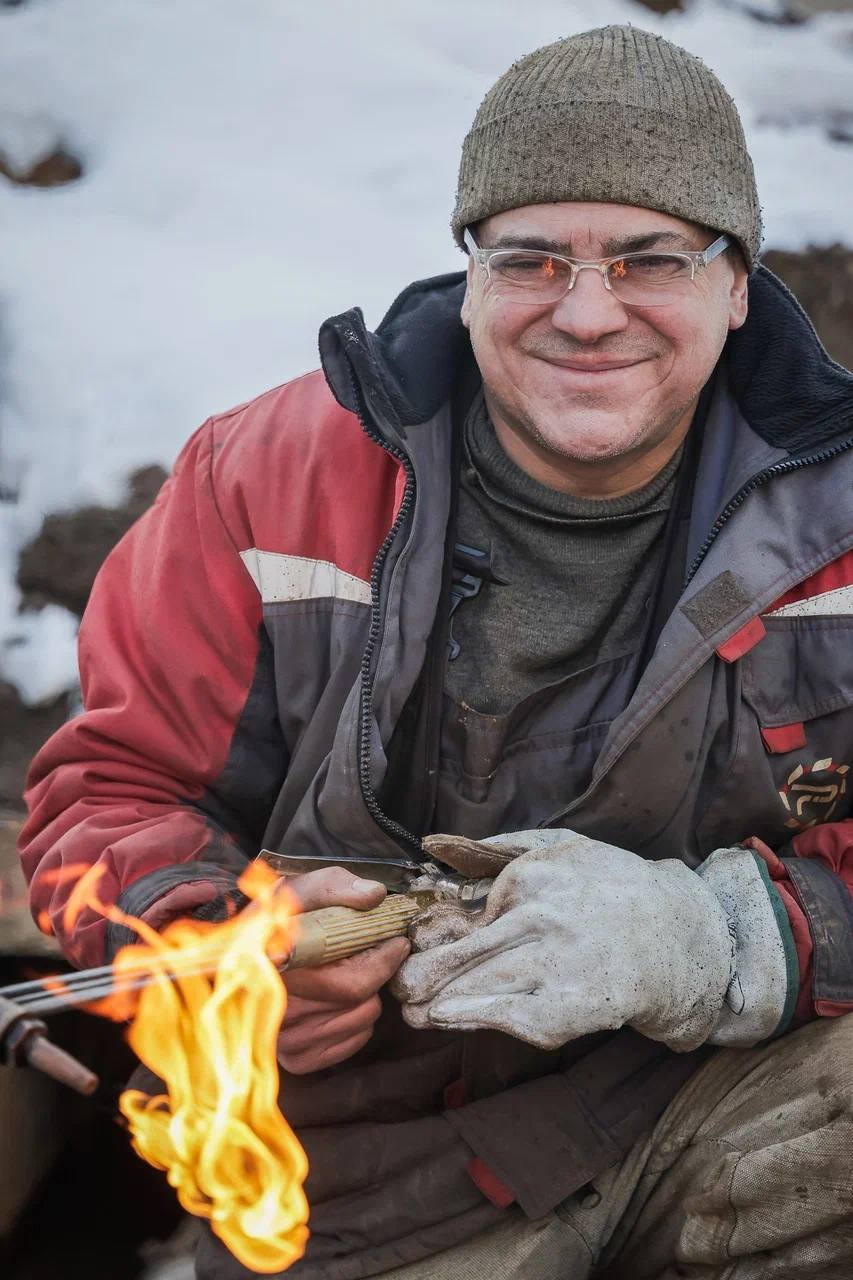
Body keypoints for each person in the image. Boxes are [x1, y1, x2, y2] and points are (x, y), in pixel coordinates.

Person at [19, 24, 853, 1279]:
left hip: (717, 1100)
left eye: (650, 258)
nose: (587, 312)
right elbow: (108, 795)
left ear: (737, 284)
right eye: (530, 259)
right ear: (467, 274)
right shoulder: (263, 483)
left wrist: (716, 937)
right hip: (370, 1173)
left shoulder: (838, 527)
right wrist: (230, 960)